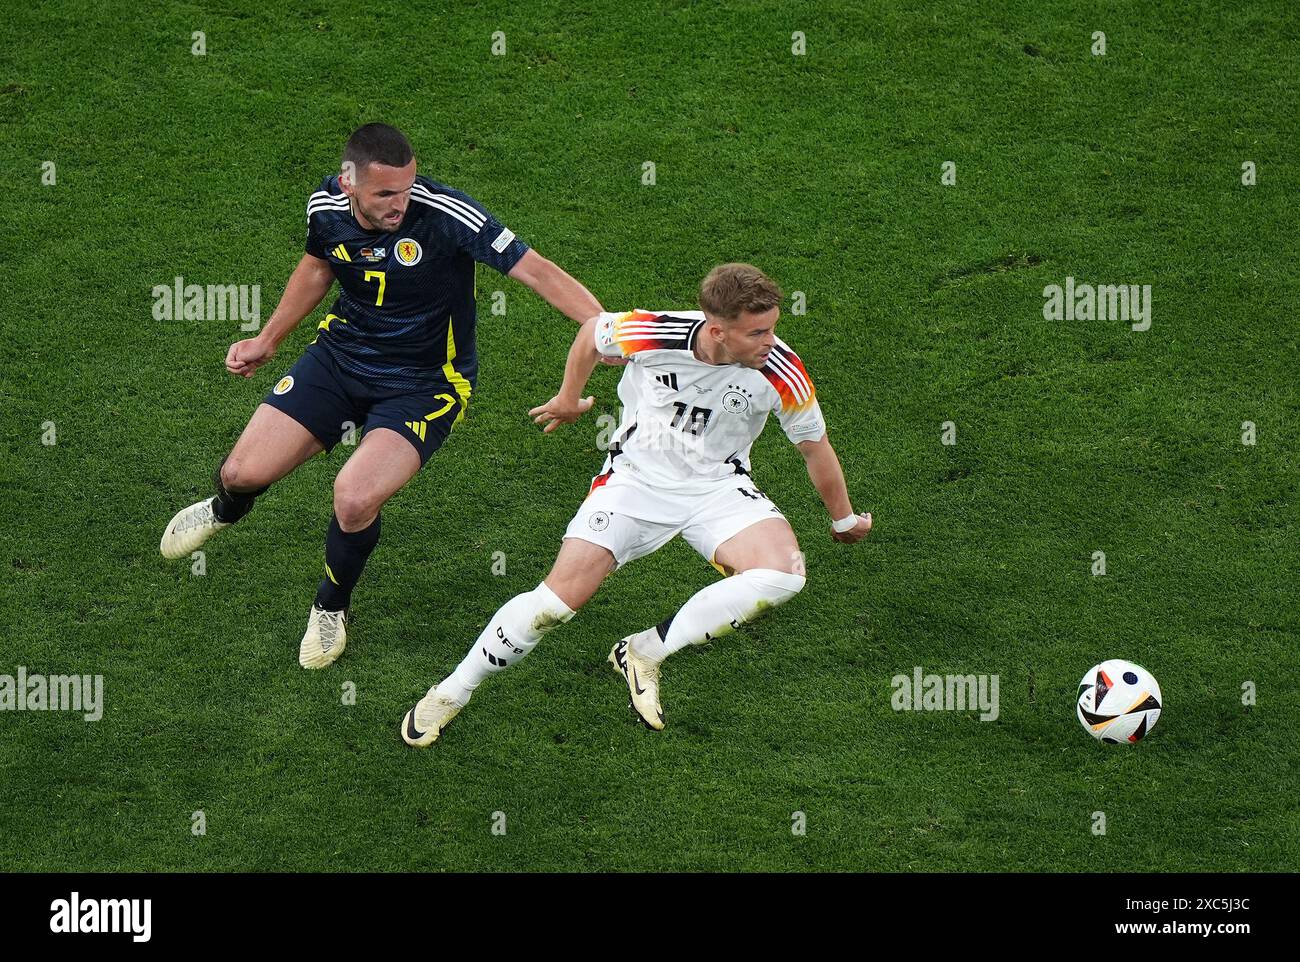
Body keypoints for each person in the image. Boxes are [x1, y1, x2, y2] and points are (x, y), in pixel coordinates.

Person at [160, 123, 604, 669]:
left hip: (425, 384)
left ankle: (331, 605)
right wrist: (267, 339)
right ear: (350, 185)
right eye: (385, 194)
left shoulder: (445, 214)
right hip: (340, 358)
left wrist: (607, 330)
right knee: (239, 474)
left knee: (354, 498)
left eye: (408, 187)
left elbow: (536, 271)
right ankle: (224, 511)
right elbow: (318, 265)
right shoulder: (324, 206)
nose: (401, 203)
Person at [402, 263, 872, 745]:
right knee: (553, 606)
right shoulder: (654, 332)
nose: (771, 341)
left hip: (716, 489)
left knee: (782, 575)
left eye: (772, 328)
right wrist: (568, 398)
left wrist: (843, 518)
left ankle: (645, 650)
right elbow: (591, 333)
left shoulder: (781, 370)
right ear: (716, 330)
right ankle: (453, 691)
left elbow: (815, 447)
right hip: (634, 484)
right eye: (757, 333)